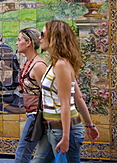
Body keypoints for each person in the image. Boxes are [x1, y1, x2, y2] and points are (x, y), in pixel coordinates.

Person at [32, 20, 99, 163]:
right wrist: (89, 125)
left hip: (62, 131)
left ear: (54, 37)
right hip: (52, 129)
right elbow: (79, 96)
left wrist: (66, 137)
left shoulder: (61, 65)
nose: (40, 37)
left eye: (43, 34)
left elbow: (66, 103)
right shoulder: (56, 63)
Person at [14, 28, 48, 163]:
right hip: (32, 115)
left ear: (28, 43)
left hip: (37, 116)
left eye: (19, 40)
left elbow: (47, 93)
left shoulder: (38, 66)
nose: (17, 43)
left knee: (22, 155)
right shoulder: (29, 62)